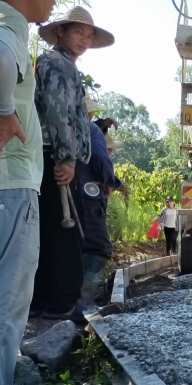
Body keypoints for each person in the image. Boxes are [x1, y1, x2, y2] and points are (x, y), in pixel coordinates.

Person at [32, 6, 114, 319]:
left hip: (53, 154)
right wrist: (66, 158)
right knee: (60, 231)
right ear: (61, 32)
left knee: (52, 229)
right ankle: (57, 304)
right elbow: (57, 113)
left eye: (89, 34)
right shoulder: (57, 63)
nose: (84, 39)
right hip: (54, 154)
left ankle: (44, 302)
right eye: (78, 31)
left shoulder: (63, 64)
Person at [0, 1, 55, 383]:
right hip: (13, 184)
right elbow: (2, 59)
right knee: (7, 305)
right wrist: (5, 111)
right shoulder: (11, 24)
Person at [78, 97, 120, 309]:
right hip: (88, 200)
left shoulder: (65, 128)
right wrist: (110, 181)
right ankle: (84, 305)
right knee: (98, 246)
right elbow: (102, 162)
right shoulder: (91, 132)